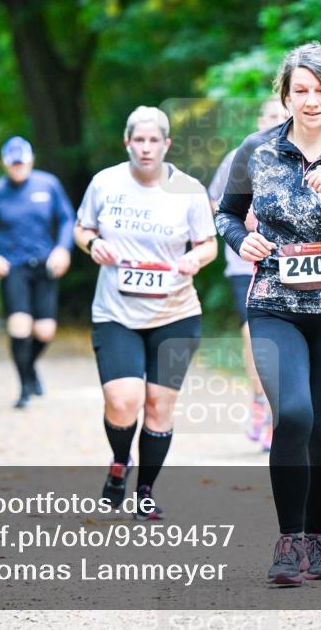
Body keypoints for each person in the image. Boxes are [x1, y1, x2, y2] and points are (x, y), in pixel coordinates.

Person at [215, 42, 321, 585]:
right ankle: (288, 542)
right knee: (293, 415)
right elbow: (225, 214)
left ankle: (318, 539)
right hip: (274, 305)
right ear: (285, 96)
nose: (310, 101)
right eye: (300, 91)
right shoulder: (257, 150)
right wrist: (242, 240)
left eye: (320, 90)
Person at [74, 106, 217, 521]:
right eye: (139, 140)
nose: (147, 148)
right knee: (123, 400)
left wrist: (196, 260)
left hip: (176, 313)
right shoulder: (105, 183)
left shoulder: (188, 190)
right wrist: (91, 245)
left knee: (158, 406)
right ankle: (120, 463)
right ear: (127, 142)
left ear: (167, 145)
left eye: (155, 140)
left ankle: (147, 491)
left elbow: (208, 243)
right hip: (116, 312)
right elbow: (82, 228)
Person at [207, 98, 289, 453]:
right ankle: (261, 403)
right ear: (260, 120)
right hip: (246, 263)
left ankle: (282, 409)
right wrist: (246, 218)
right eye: (271, 116)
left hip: (290, 263)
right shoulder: (241, 155)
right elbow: (215, 203)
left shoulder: (300, 157)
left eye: (283, 117)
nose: (277, 122)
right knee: (254, 336)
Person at [0, 136, 75, 408]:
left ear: (30, 160)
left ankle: (29, 368)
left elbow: (67, 219)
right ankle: (23, 389)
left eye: (22, 162)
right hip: (13, 266)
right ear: (5, 164)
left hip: (44, 265)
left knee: (44, 332)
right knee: (19, 326)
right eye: (13, 163)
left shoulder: (48, 185)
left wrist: (63, 249)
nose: (18, 167)